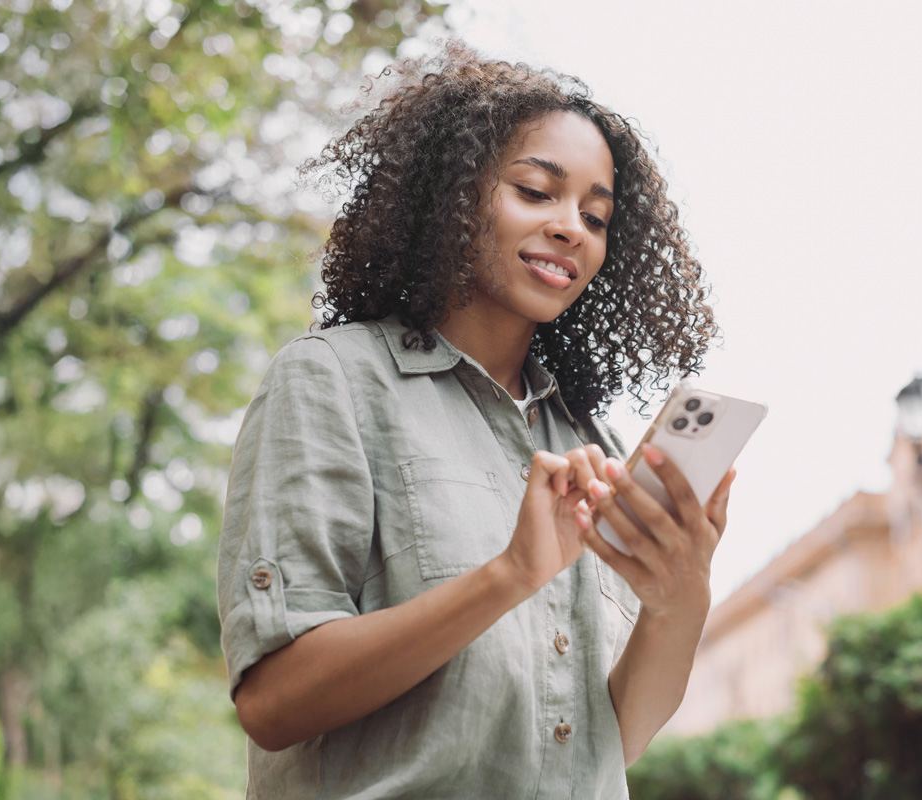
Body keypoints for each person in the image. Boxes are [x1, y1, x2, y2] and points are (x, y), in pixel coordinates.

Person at [216, 42, 732, 799]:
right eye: (535, 191)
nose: (571, 229)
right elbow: (273, 701)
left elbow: (609, 742)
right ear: (450, 197)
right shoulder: (335, 380)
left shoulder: (595, 446)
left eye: (595, 215)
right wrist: (510, 576)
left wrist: (680, 596)